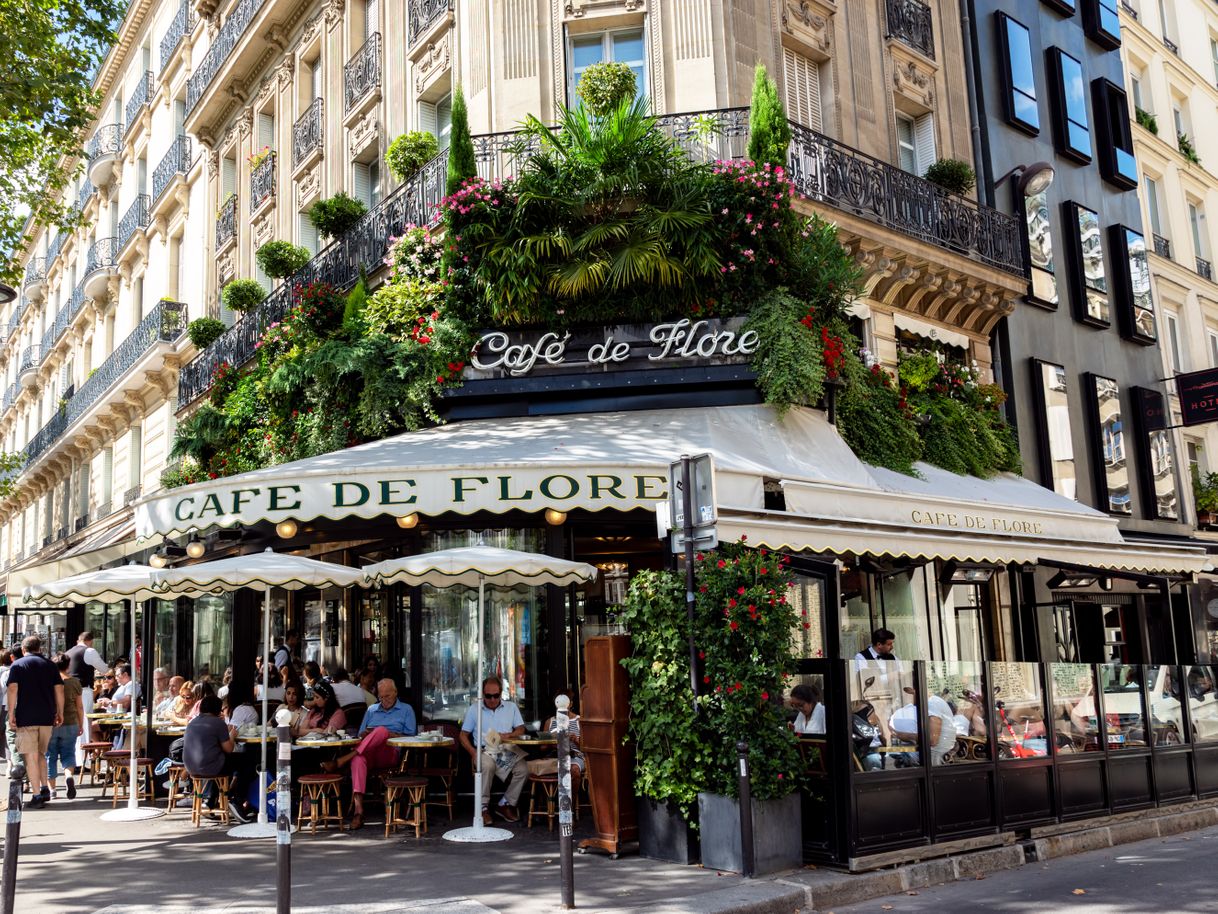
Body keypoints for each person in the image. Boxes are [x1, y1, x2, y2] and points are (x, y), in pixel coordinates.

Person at [322, 678, 415, 829]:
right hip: (369, 751)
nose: (384, 700)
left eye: (388, 696)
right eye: (381, 696)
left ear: (396, 693)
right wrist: (367, 734)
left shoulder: (406, 709)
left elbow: (412, 737)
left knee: (381, 730)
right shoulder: (372, 710)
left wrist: (387, 734)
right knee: (358, 760)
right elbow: (360, 735)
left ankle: (342, 760)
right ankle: (359, 812)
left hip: (389, 752)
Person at [459, 676, 528, 826]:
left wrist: (509, 735)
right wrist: (473, 753)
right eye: (488, 696)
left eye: (495, 695)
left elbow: (521, 729)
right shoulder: (474, 709)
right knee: (487, 765)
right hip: (483, 750)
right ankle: (483, 808)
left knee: (523, 769)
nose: (492, 699)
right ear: (483, 694)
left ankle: (505, 804)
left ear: (501, 693)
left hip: (504, 749)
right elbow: (463, 735)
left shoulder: (511, 707)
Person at [7, 636, 64, 807]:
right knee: (41, 754)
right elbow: (59, 689)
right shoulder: (50, 665)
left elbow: (12, 688)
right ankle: (45, 788)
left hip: (26, 716)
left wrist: (11, 713)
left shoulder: (18, 665)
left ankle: (37, 795)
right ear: (40, 648)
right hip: (47, 717)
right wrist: (59, 712)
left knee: (30, 756)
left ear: (24, 649)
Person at [183, 694, 242, 820]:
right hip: (210, 767)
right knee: (242, 761)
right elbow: (229, 748)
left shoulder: (192, 722)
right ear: (217, 709)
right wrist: (232, 735)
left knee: (219, 764)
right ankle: (235, 800)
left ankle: (210, 801)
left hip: (191, 768)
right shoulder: (218, 723)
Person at [47, 654, 84, 799]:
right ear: (68, 666)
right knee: (68, 753)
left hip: (52, 724)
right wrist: (80, 724)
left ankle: (52, 790)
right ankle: (69, 776)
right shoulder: (75, 682)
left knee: (50, 756)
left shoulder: (49, 682)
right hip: (71, 722)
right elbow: (79, 707)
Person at [65, 631, 109, 747]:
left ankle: (74, 755)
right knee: (84, 721)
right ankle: (83, 757)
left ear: (78, 641)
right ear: (90, 641)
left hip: (68, 689)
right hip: (83, 689)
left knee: (72, 721)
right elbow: (104, 669)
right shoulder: (89, 651)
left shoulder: (68, 652)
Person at [543, 688, 584, 780]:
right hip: (555, 758)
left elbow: (586, 748)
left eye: (565, 704)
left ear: (571, 704)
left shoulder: (579, 721)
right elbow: (542, 747)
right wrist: (553, 743)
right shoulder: (549, 722)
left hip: (575, 757)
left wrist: (576, 740)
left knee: (574, 770)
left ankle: (574, 795)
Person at [1, 646, 22, 769]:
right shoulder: (28, 670)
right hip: (26, 706)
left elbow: (5, 689)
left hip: (10, 707)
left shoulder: (8, 673)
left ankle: (15, 767)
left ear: (12, 657)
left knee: (11, 738)